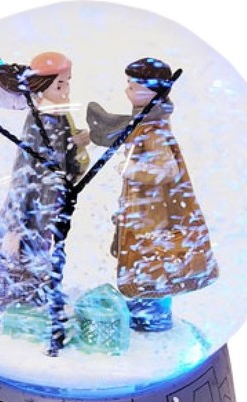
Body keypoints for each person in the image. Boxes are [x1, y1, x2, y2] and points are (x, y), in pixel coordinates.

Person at [87, 57, 218, 331]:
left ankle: (151, 320)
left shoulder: (153, 129)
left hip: (153, 214)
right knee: (142, 260)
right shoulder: (144, 121)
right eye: (128, 85)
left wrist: (130, 169)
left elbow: (166, 169)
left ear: (152, 92)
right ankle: (143, 313)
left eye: (133, 87)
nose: (127, 91)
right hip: (144, 208)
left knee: (150, 262)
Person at [0, 52, 90, 304]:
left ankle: (37, 292)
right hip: (35, 199)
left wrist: (77, 143)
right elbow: (24, 170)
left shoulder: (59, 115)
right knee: (29, 249)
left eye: (68, 82)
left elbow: (64, 156)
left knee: (43, 244)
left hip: (52, 197)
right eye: (60, 85)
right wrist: (15, 223)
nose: (66, 90)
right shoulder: (40, 120)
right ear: (42, 87)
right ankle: (24, 297)